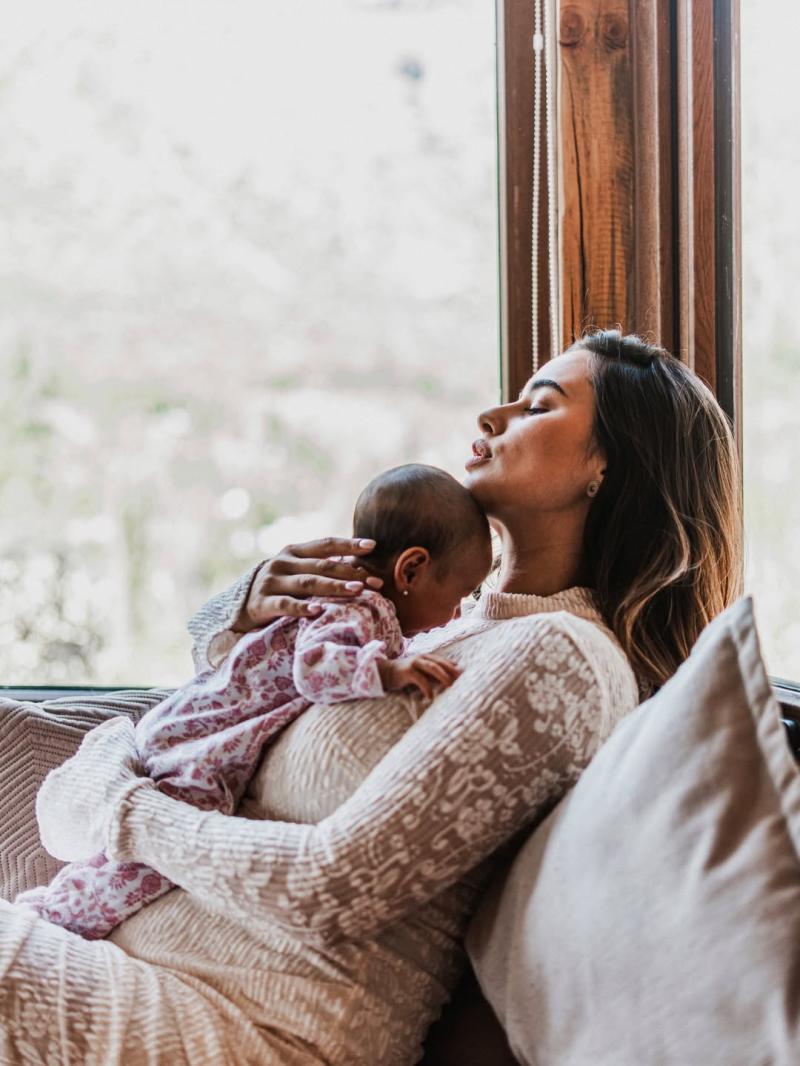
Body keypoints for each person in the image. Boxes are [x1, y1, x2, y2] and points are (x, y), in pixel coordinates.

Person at [0, 332, 742, 1066]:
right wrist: (243, 614)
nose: (492, 415)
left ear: (606, 468)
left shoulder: (562, 659)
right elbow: (211, 735)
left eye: (538, 407)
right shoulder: (432, 623)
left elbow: (330, 890)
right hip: (133, 967)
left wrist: (119, 807)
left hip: (254, 1029)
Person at [15, 465, 492, 940]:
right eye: (459, 595)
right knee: (154, 853)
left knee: (137, 847)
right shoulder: (360, 607)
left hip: (199, 726)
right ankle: (59, 917)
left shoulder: (358, 605)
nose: (456, 613)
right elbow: (316, 668)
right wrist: (388, 671)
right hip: (205, 740)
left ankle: (57, 903)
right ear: (410, 568)